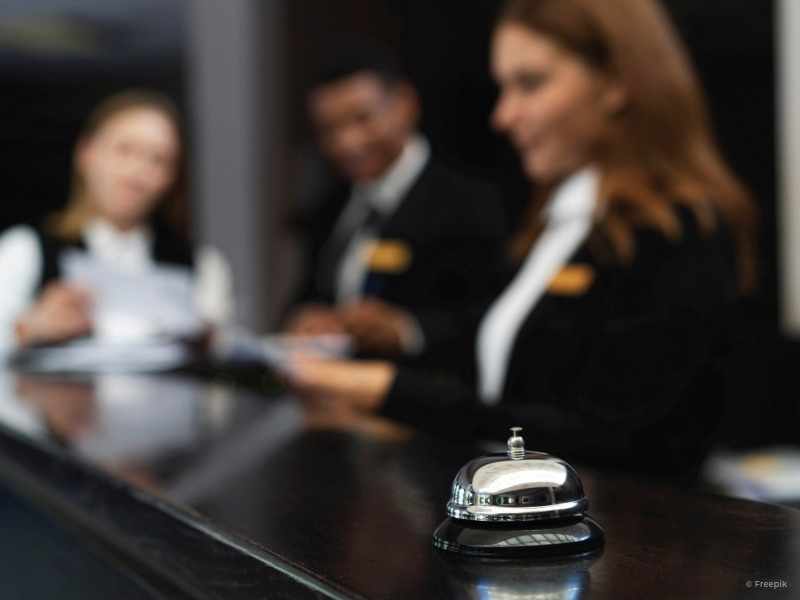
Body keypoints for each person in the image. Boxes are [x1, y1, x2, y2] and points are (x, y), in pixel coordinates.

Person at [286, 0, 759, 481]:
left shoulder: (677, 230)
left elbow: (613, 440)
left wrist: (386, 391)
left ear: (616, 80)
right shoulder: (560, 220)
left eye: (529, 84)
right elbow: (502, 377)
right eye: (504, 87)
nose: (503, 116)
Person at [284, 48, 510, 363]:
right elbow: (308, 294)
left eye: (362, 119)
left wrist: (409, 331)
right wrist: (305, 317)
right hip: (334, 391)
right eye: (329, 130)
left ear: (404, 104)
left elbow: (493, 310)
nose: (347, 143)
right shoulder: (330, 207)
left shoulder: (472, 202)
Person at [0, 90, 234, 354]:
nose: (137, 174)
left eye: (158, 160)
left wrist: (211, 346)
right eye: (124, 150)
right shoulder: (25, 250)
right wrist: (28, 329)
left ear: (172, 177)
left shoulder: (202, 266)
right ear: (87, 154)